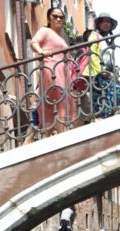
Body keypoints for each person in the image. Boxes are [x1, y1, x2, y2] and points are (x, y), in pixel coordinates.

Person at [30, 7, 75, 136]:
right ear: (49, 19)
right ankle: (61, 137)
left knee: (59, 103)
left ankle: (50, 135)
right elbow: (33, 42)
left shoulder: (61, 37)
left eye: (61, 17)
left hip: (63, 72)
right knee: (59, 101)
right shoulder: (45, 31)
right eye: (55, 16)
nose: (58, 19)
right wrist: (41, 52)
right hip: (52, 68)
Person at [82, 12, 120, 120]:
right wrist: (101, 71)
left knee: (118, 94)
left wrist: (114, 71)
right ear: (99, 24)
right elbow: (92, 54)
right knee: (103, 97)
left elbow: (109, 59)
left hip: (107, 74)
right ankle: (101, 117)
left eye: (108, 22)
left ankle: (110, 116)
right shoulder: (94, 35)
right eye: (104, 21)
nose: (106, 24)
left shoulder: (108, 40)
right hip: (97, 73)